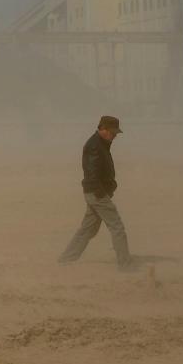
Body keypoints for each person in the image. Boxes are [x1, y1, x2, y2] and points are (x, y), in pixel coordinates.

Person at [57, 115, 134, 270]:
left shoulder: (102, 143)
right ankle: (125, 265)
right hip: (97, 194)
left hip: (95, 193)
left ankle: (66, 259)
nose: (114, 136)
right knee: (117, 227)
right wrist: (101, 194)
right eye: (112, 133)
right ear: (102, 129)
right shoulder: (94, 146)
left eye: (116, 134)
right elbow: (92, 174)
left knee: (88, 229)